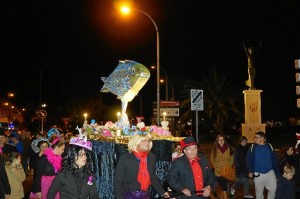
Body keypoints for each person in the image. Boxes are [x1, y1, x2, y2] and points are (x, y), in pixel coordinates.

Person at [114, 132, 170, 199]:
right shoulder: (126, 158)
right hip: (128, 195)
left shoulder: (151, 157)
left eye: (148, 140)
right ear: (136, 142)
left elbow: (152, 177)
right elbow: (118, 181)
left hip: (145, 194)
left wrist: (162, 192)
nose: (147, 143)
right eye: (143, 140)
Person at [47, 132, 99, 198]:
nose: (84, 157)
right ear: (72, 156)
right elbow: (51, 194)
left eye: (85, 154)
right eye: (80, 155)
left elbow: (94, 195)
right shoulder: (63, 174)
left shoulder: (89, 175)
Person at [246, 131, 280, 199]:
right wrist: (250, 171)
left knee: (273, 189)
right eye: (254, 137)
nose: (255, 139)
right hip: (258, 174)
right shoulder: (252, 147)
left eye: (256, 137)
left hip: (270, 172)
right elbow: (249, 160)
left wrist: (277, 173)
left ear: (262, 138)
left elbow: (274, 160)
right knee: (259, 192)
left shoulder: (269, 146)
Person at [210, 134, 234, 199]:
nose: (221, 141)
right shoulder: (215, 148)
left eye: (222, 139)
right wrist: (216, 166)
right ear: (217, 141)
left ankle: (222, 196)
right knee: (224, 186)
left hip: (226, 170)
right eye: (219, 139)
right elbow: (212, 159)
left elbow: (231, 157)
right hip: (219, 171)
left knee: (225, 185)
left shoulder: (228, 147)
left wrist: (229, 165)